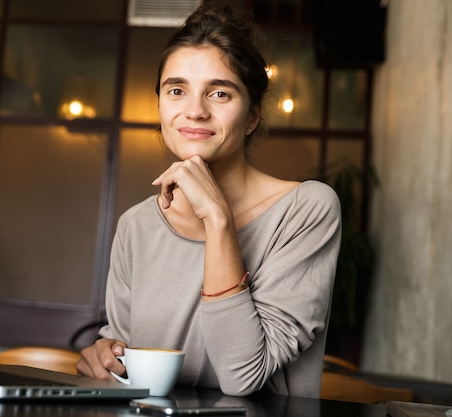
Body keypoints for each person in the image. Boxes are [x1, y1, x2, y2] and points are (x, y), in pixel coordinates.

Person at [76, 4, 341, 398]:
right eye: (177, 90)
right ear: (162, 107)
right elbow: (125, 359)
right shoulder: (136, 226)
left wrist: (218, 219)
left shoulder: (307, 210)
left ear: (252, 115)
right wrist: (104, 356)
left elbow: (243, 376)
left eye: (220, 93)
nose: (195, 111)